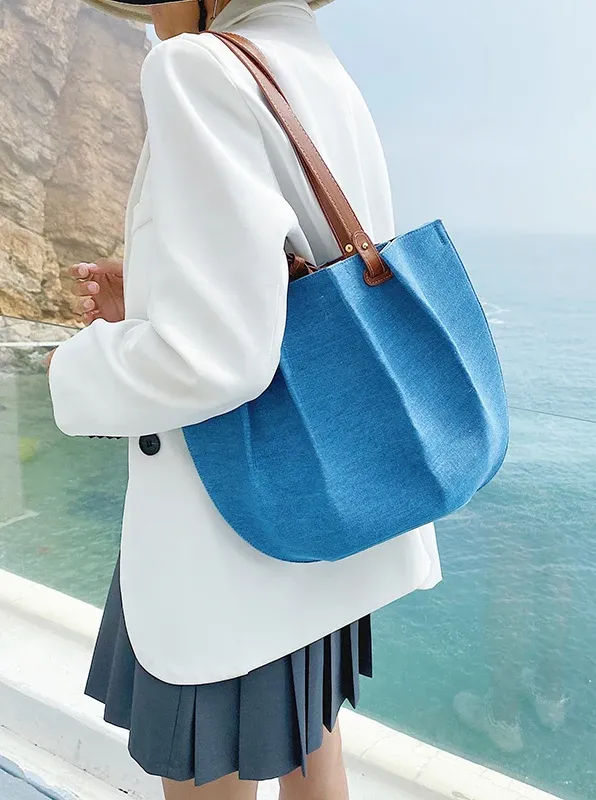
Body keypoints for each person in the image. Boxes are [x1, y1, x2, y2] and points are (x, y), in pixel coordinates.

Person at [47, 1, 442, 798]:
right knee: (311, 750)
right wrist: (153, 293)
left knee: (209, 774)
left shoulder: (198, 67)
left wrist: (74, 368)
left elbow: (217, 359)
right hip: (322, 501)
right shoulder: (321, 70)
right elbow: (309, 273)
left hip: (228, 526)